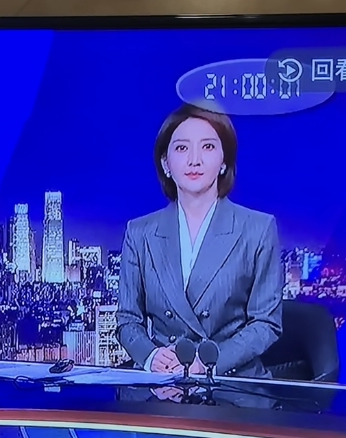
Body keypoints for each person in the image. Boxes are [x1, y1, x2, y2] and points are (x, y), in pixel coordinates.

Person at [116, 103, 283, 379]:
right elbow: (127, 320)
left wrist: (210, 362)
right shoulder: (139, 232)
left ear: (224, 160)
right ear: (166, 163)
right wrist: (151, 356)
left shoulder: (258, 229)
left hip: (231, 382)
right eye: (182, 148)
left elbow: (266, 323)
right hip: (162, 381)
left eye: (207, 147)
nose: (194, 160)